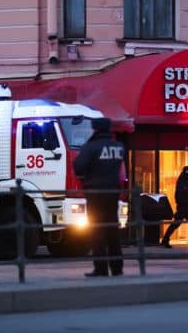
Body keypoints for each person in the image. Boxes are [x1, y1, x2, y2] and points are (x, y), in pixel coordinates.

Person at [73, 117, 125, 277]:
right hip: (113, 192)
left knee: (96, 230)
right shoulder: (119, 147)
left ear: (95, 129)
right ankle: (117, 268)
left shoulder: (91, 146)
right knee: (112, 229)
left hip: (95, 192)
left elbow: (78, 167)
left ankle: (101, 268)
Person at [161, 166, 188, 249]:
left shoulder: (184, 182)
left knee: (177, 224)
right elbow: (182, 196)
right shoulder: (183, 183)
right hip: (185, 208)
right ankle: (165, 239)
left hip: (185, 208)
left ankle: (165, 239)